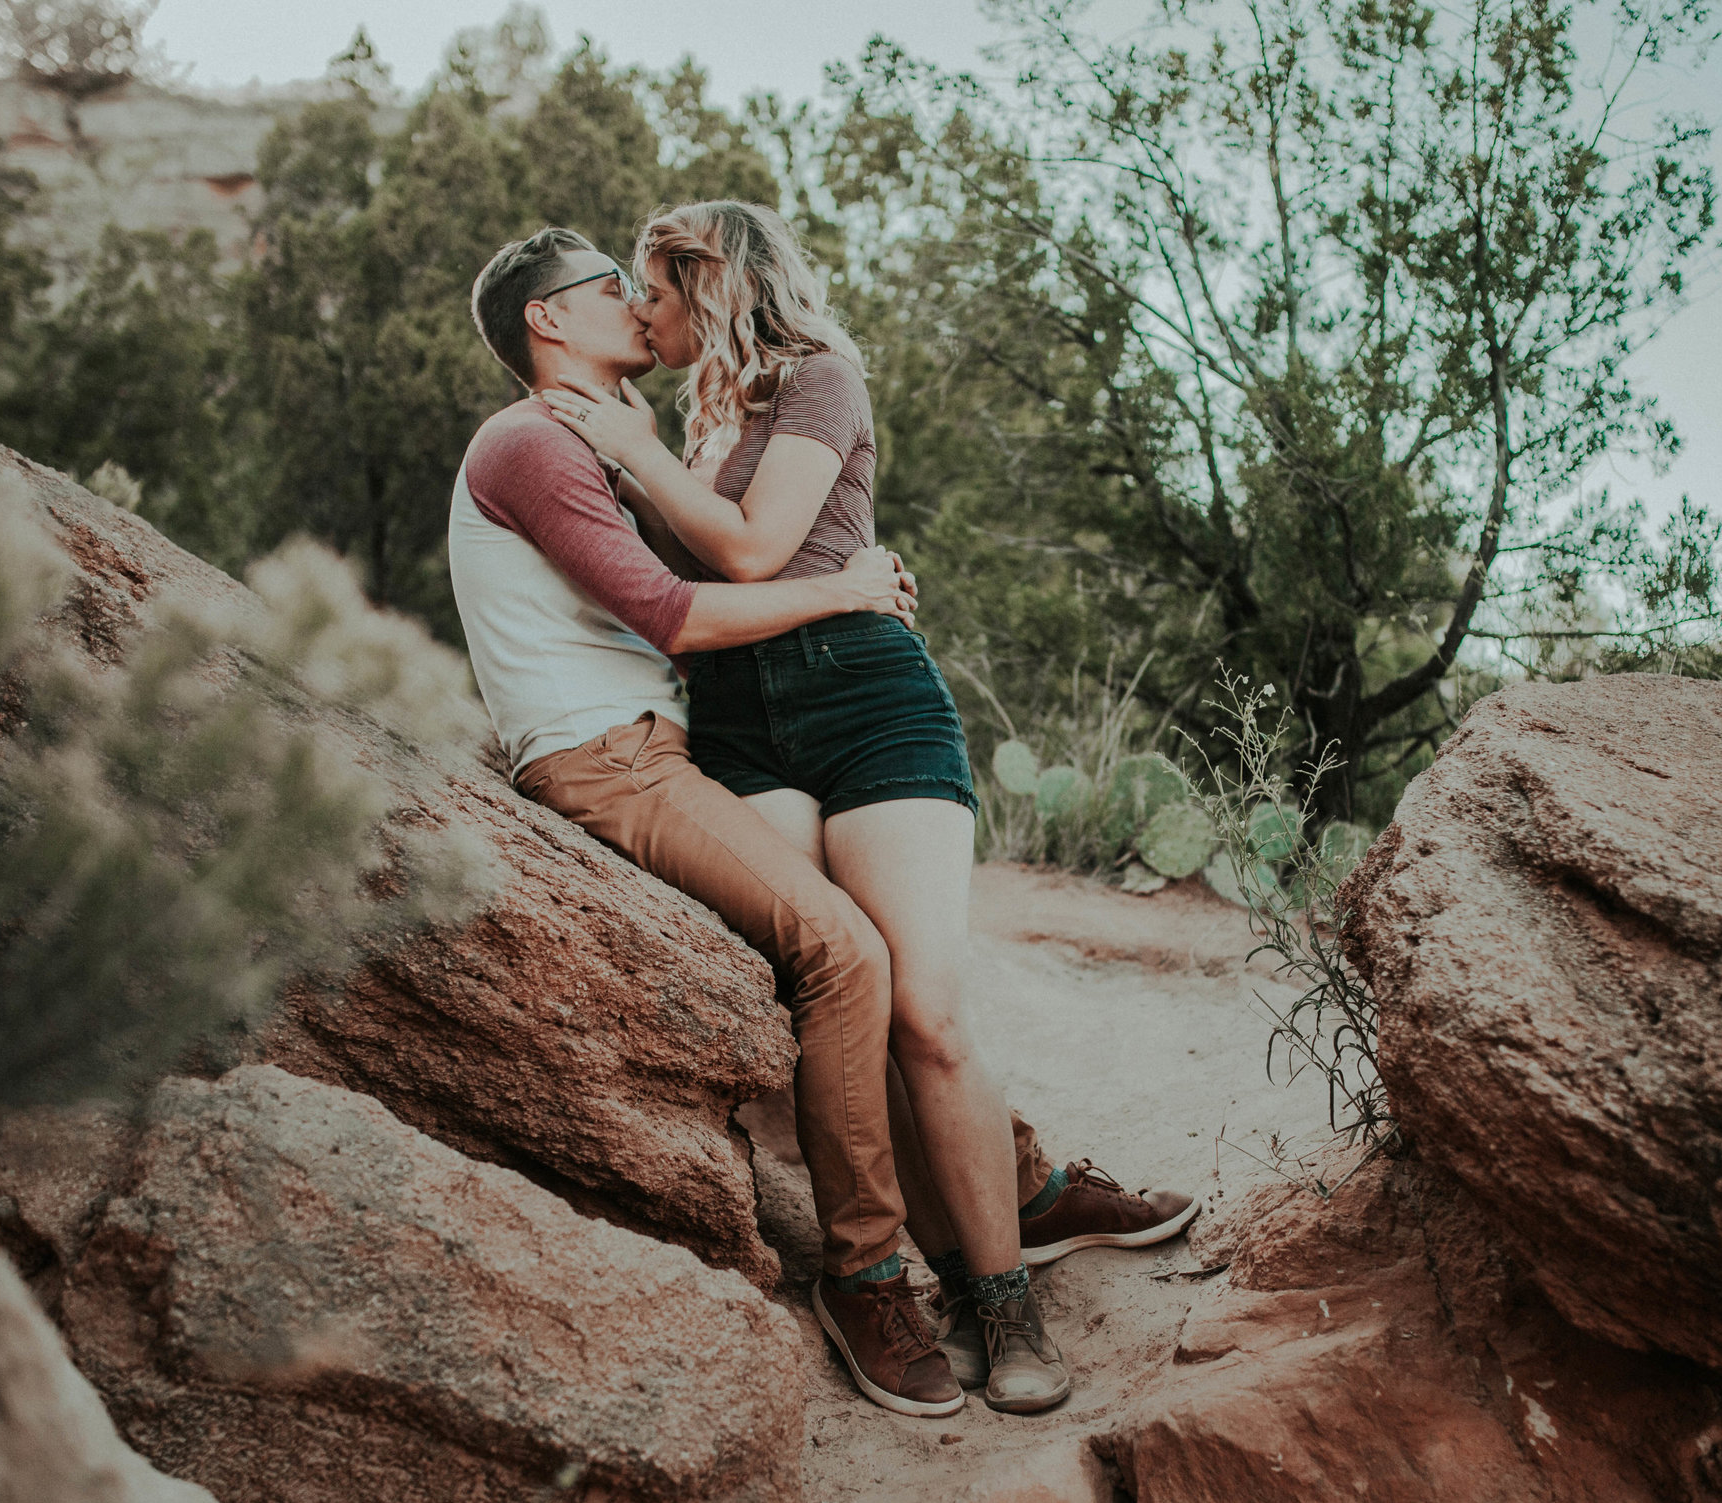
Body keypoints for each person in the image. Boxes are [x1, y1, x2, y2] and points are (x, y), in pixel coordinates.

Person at [453, 227, 1193, 1420]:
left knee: (902, 992)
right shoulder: (538, 438)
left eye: (652, 288)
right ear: (549, 320)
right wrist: (846, 583)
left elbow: (710, 563)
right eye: (613, 291)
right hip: (641, 745)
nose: (639, 309)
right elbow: (677, 611)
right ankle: (867, 1272)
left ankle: (1014, 1207)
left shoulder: (702, 410)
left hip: (734, 726)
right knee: (845, 957)